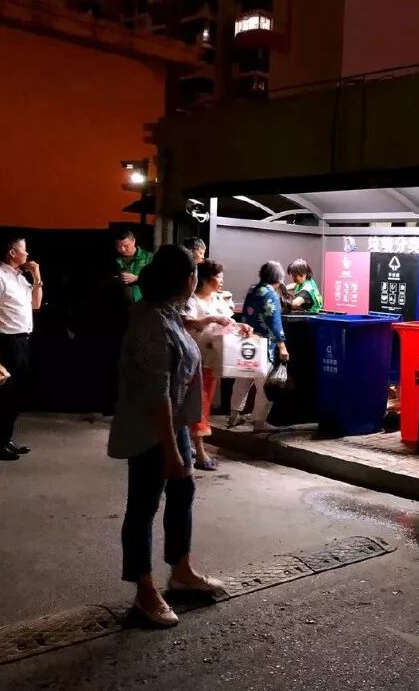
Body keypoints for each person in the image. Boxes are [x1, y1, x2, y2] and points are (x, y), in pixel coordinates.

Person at [107, 244, 222, 627]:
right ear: (188, 279)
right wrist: (172, 452)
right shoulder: (150, 324)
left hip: (173, 426)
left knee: (182, 492)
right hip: (151, 431)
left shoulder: (166, 312)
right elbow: (157, 395)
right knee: (143, 507)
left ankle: (181, 571)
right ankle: (144, 591)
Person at [0, 236, 43, 460]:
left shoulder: (19, 276)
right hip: (6, 341)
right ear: (12, 252)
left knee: (16, 393)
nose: (27, 254)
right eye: (24, 250)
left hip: (22, 340)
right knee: (2, 393)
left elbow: (35, 305)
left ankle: (5, 439)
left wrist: (37, 277)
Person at [182, 260, 244, 471]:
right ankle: (200, 452)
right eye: (218, 277)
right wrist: (211, 319)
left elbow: (230, 324)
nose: (221, 281)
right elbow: (187, 322)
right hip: (195, 360)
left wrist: (243, 327)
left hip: (214, 361)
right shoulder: (192, 301)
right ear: (206, 279)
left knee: (202, 403)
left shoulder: (219, 299)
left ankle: (188, 443)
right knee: (199, 404)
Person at [231, 262, 290, 431]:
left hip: (248, 340)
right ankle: (259, 423)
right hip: (264, 344)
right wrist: (282, 346)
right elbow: (275, 322)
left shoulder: (253, 289)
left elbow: (245, 314)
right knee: (263, 385)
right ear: (278, 277)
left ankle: (234, 416)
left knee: (242, 380)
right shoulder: (271, 294)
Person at [116, 230, 154, 306]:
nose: (122, 249)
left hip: (143, 302)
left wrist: (137, 278)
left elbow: (157, 278)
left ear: (133, 241)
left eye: (126, 246)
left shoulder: (148, 256)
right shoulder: (114, 258)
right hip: (119, 304)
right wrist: (118, 279)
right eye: (119, 246)